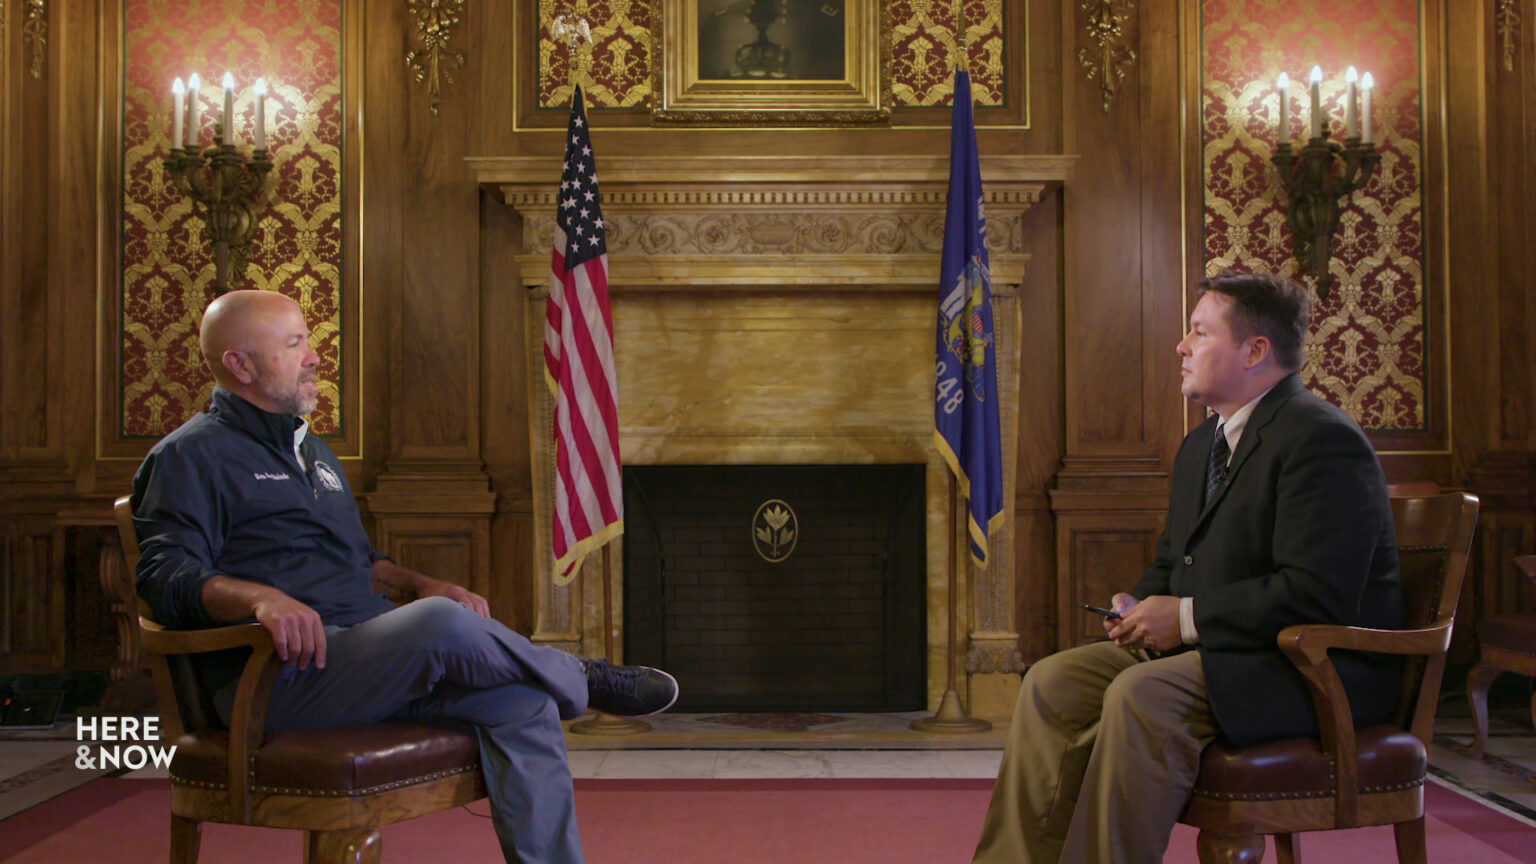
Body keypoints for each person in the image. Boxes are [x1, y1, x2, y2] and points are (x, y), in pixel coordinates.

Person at [131, 288, 677, 864]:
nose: (315, 357)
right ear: (240, 365)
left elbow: (362, 564)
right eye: (294, 344)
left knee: (522, 700)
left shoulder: (314, 453)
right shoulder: (187, 457)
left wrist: (419, 584)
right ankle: (583, 679)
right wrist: (261, 598)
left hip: (367, 659)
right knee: (442, 624)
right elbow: (165, 576)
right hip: (275, 678)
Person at [972, 271, 1404, 864]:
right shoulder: (1202, 444)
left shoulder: (1321, 439)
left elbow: (1317, 594)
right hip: (1230, 652)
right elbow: (1175, 563)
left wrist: (1186, 618)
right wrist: (1139, 605)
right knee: (1052, 683)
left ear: (1255, 350)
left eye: (1199, 332)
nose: (1181, 345)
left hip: (1312, 670)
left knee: (1141, 692)